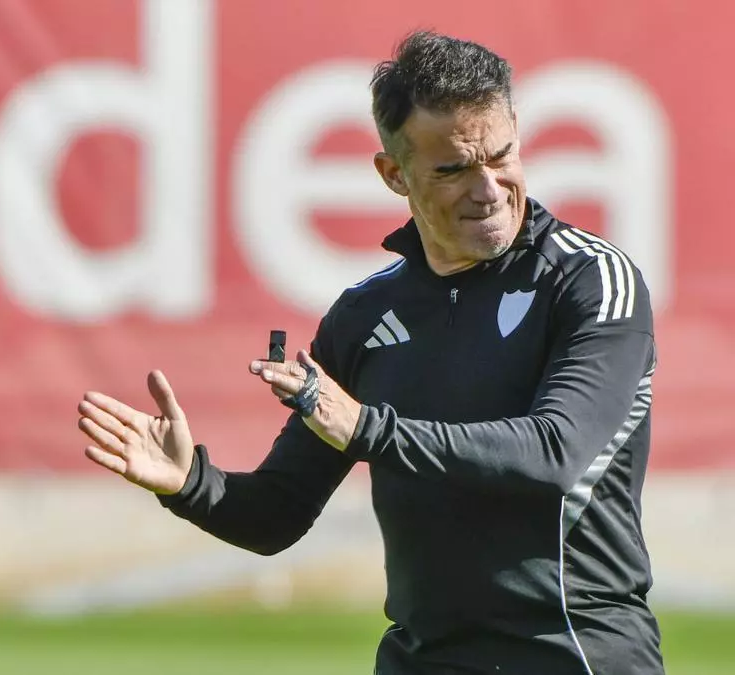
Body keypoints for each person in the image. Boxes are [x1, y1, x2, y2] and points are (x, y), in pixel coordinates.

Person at [76, 30, 663, 675]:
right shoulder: (365, 315)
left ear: (517, 132)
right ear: (393, 175)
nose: (489, 189)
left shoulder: (590, 280)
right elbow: (276, 515)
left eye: (501, 156)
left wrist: (365, 428)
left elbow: (555, 456)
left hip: (574, 653)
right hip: (422, 659)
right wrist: (190, 483)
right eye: (452, 170)